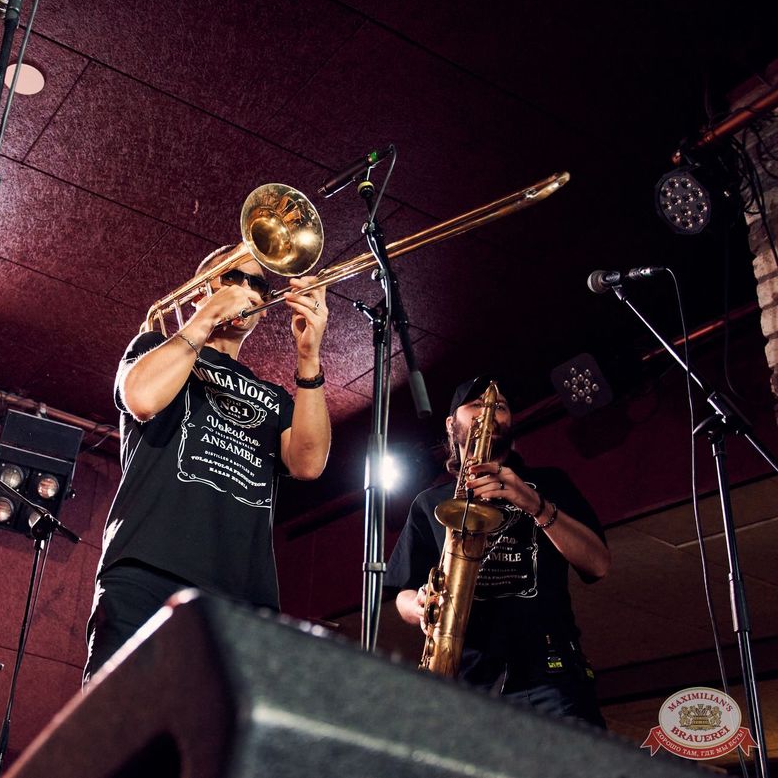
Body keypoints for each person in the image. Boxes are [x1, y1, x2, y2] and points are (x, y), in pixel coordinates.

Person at [83, 248, 332, 682]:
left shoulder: (274, 398)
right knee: (119, 718)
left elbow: (308, 464)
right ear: (200, 290)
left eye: (258, 285)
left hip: (241, 596)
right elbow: (142, 399)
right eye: (233, 278)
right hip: (147, 572)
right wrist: (206, 318)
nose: (247, 290)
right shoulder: (153, 346)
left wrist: (309, 357)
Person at [387, 375, 611, 727]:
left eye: (500, 407)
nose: (489, 412)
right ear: (451, 424)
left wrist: (533, 502)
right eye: (476, 405)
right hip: (465, 680)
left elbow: (597, 565)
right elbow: (402, 591)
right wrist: (419, 605)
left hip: (550, 675)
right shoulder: (428, 502)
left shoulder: (550, 483)